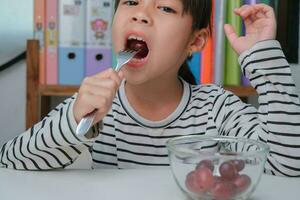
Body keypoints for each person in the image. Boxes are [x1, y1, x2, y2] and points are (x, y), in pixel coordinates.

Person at [1, 0, 300, 177]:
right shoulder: (97, 106)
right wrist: (75, 120)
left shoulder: (217, 108)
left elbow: (287, 165)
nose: (140, 13)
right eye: (130, 1)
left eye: (165, 7)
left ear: (194, 42)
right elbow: (10, 160)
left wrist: (266, 62)